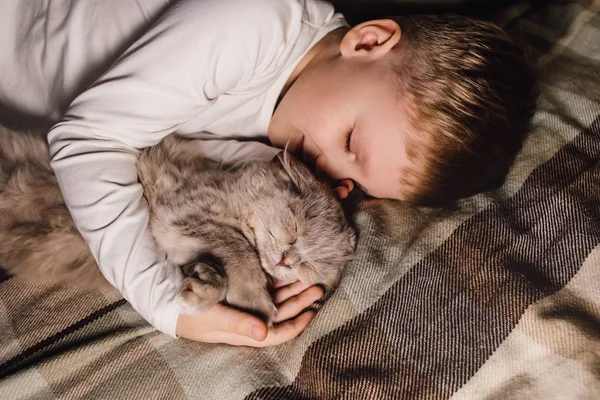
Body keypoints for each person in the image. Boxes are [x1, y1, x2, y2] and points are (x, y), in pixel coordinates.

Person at [0, 0, 536, 346]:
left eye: (360, 184)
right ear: (367, 42)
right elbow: (87, 139)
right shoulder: (257, 23)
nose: (330, 174)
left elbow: (186, 192)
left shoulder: (293, 128)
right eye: (350, 141)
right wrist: (167, 306)